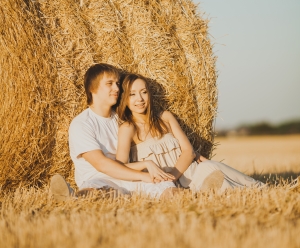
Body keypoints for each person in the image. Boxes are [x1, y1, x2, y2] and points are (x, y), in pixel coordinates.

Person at [116, 73, 265, 193]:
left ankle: (258, 188)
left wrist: (173, 176)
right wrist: (147, 164)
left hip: (190, 175)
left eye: (144, 92)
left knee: (209, 167)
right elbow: (120, 166)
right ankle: (251, 191)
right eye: (132, 94)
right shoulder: (128, 129)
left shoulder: (165, 117)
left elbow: (189, 151)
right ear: (125, 99)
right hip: (164, 187)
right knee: (216, 180)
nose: (140, 99)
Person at [50, 64, 177, 201]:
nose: (117, 88)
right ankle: (72, 198)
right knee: (99, 191)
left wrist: (191, 151)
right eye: (109, 83)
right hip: (100, 179)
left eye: (117, 83)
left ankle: (198, 197)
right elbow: (102, 164)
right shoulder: (82, 124)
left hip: (130, 176)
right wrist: (144, 172)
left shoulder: (122, 118)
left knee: (166, 186)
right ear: (92, 88)